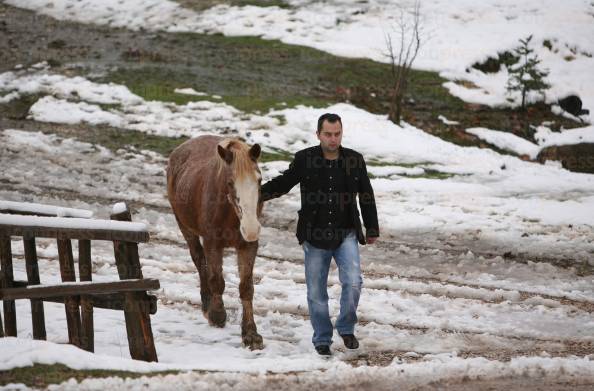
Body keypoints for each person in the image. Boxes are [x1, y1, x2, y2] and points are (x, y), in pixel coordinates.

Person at [260, 113, 379, 356]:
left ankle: (346, 328)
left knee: (354, 282)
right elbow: (284, 183)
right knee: (316, 292)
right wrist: (255, 193)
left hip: (346, 232)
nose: (333, 139)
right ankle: (322, 338)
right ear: (318, 134)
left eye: (337, 134)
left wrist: (372, 227)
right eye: (328, 134)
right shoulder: (305, 159)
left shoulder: (355, 160)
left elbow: (366, 194)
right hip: (314, 235)